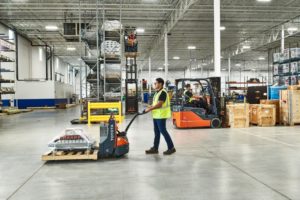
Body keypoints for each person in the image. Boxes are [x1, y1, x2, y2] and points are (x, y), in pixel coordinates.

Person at [144, 78, 176, 155]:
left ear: (160, 84)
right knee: (157, 132)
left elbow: (160, 104)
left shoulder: (163, 92)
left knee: (163, 131)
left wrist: (150, 109)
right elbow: (156, 103)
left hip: (161, 115)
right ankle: (155, 148)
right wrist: (150, 106)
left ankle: (171, 148)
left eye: (156, 83)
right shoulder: (156, 93)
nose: (155, 84)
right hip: (156, 115)